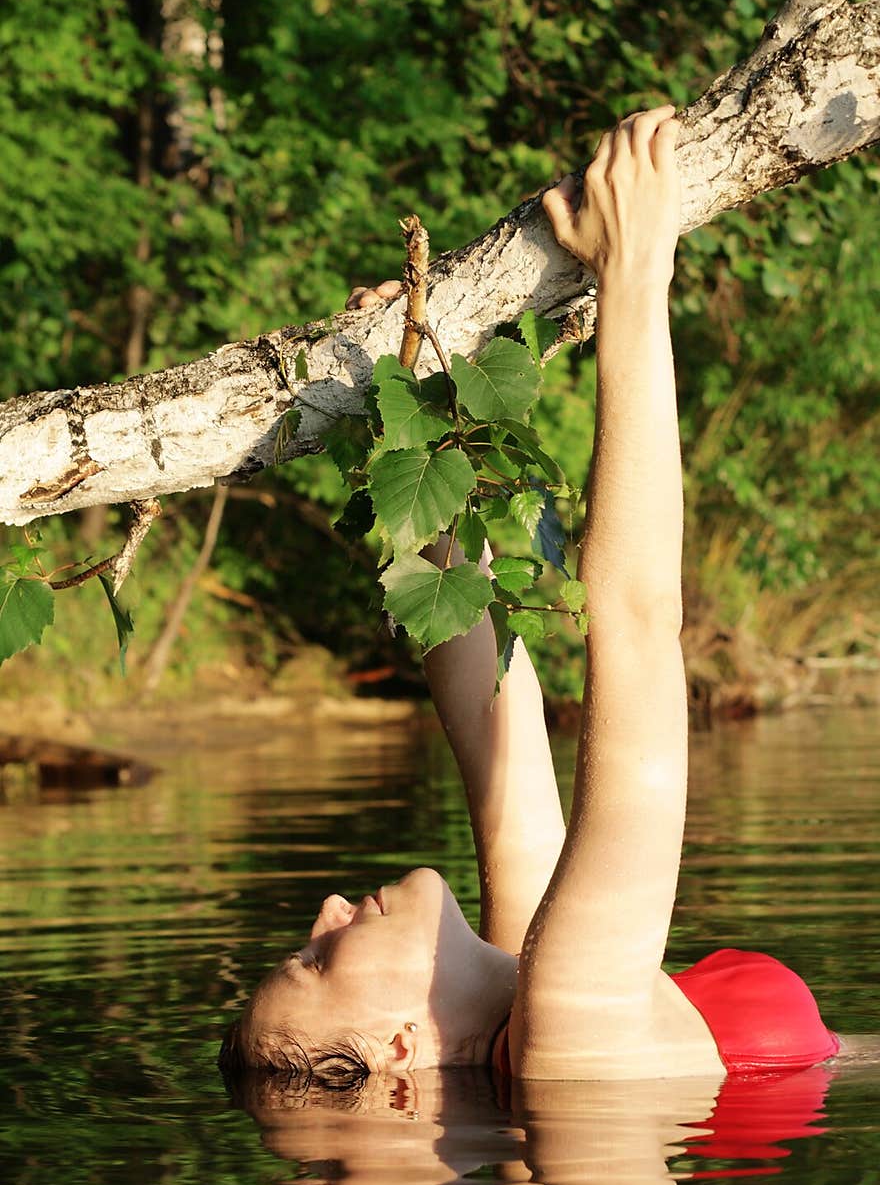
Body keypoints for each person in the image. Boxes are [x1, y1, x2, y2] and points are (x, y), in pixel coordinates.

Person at [218, 104, 849, 1085]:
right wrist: (633, 273)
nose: (325, 911)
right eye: (314, 958)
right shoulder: (564, 1029)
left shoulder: (523, 981)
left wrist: (418, 399)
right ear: (397, 1049)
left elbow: (489, 716)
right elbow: (633, 621)